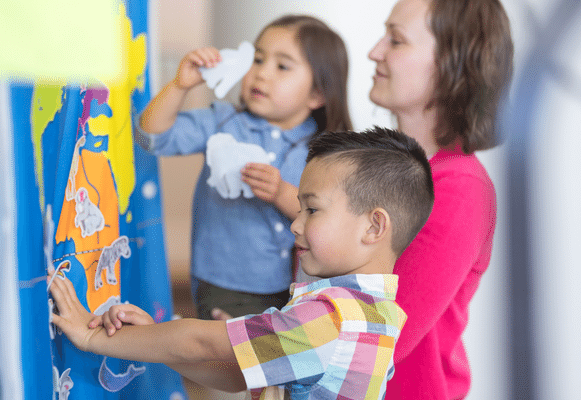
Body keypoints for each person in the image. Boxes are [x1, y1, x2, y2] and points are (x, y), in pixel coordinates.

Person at [48, 127, 435, 400]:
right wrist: (153, 336)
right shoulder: (376, 316)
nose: (295, 224)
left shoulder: (331, 322)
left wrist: (93, 336)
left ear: (374, 226)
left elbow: (201, 343)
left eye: (312, 210)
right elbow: (236, 373)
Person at [136, 14, 352, 320]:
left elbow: (332, 220)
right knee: (226, 359)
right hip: (223, 283)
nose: (261, 74)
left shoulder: (324, 151)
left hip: (296, 286)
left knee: (268, 363)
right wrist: (179, 86)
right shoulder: (222, 121)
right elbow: (152, 137)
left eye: (282, 66)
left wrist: (280, 193)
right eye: (258, 59)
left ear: (317, 93)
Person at [366, 0, 514, 398]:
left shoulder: (461, 189)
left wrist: (224, 347)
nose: (374, 51)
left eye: (396, 40)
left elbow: (378, 341)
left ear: (452, 65)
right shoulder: (366, 167)